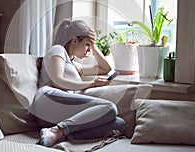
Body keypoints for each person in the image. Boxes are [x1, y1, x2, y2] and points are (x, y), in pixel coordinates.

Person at [31, 19, 125, 147]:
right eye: (86, 45)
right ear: (74, 40)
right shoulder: (57, 50)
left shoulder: (74, 64)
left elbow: (106, 69)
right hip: (49, 100)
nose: (88, 51)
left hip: (62, 110)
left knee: (119, 124)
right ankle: (55, 131)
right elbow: (57, 80)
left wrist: (93, 45)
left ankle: (60, 133)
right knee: (109, 107)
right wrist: (90, 84)